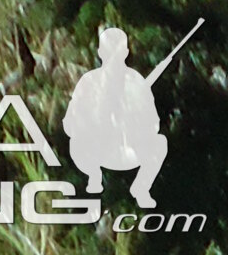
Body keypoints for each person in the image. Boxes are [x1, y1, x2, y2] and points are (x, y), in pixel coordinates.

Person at [64, 29, 167, 210]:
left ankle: (141, 188)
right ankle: (93, 177)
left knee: (160, 143)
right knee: (77, 143)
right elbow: (69, 124)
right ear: (100, 54)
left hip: (127, 150)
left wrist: (135, 118)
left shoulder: (136, 82)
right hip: (95, 151)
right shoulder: (89, 82)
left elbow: (154, 124)